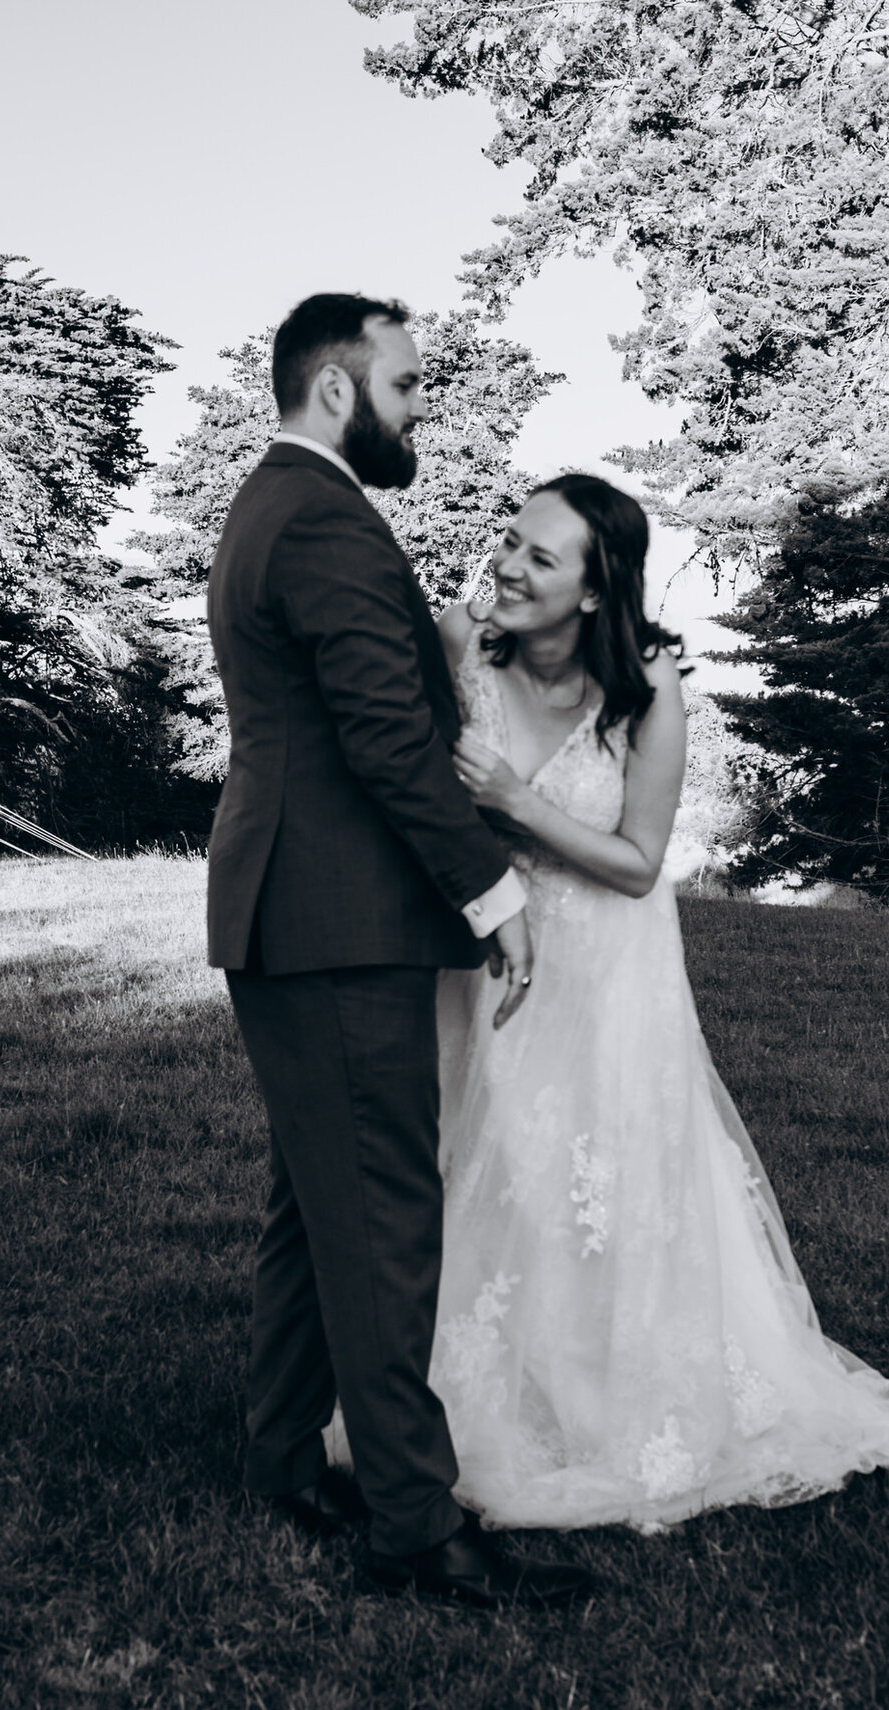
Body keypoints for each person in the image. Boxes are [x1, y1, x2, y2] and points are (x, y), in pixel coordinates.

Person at [416, 471, 889, 1529]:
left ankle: (610, 1401)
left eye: (539, 557)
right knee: (486, 1160)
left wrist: (508, 800)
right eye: (509, 541)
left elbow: (638, 862)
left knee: (597, 1177)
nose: (505, 564)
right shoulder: (460, 640)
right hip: (484, 953)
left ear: (595, 593)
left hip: (604, 965)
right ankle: (470, 1388)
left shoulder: (647, 684)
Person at [206, 293, 592, 1607]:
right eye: (408, 383)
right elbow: (384, 742)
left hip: (295, 917)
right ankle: (414, 1530)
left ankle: (277, 1460)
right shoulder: (319, 519)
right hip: (333, 923)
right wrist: (494, 893)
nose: (423, 404)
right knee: (380, 1221)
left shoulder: (277, 504)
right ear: (334, 390)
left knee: (314, 1210)